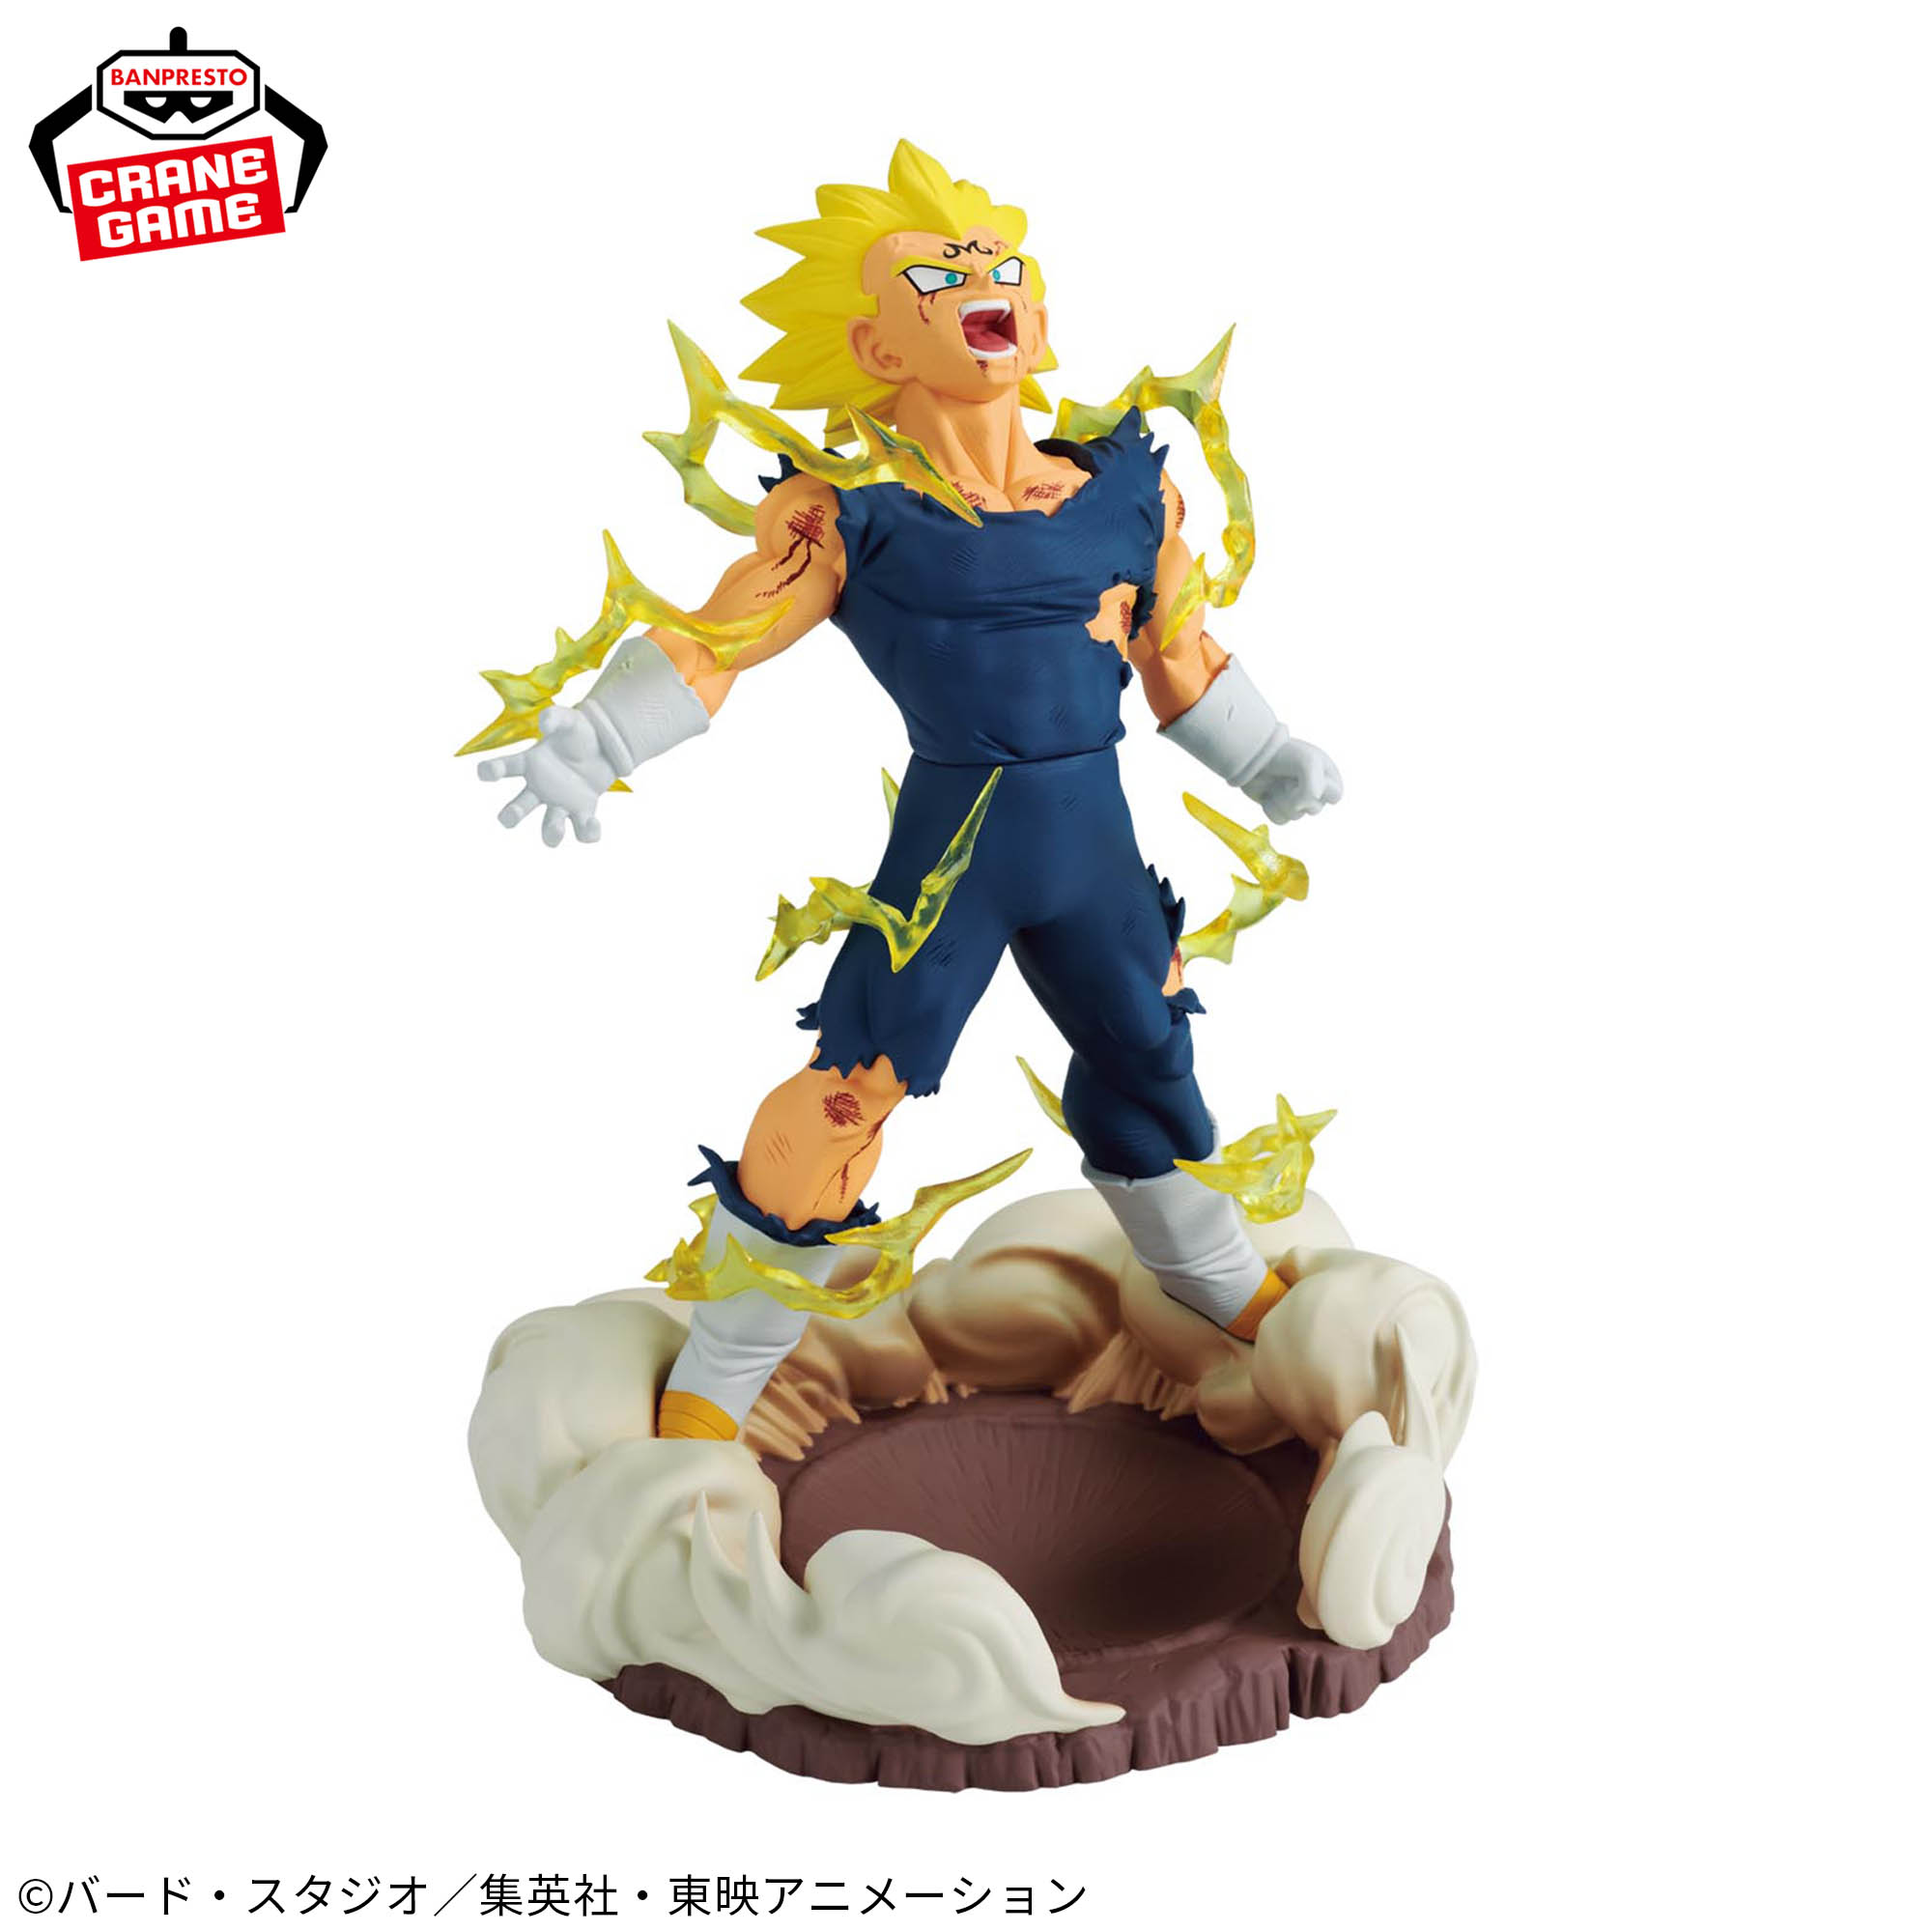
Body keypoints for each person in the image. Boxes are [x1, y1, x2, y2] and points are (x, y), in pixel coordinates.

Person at [476, 142, 1341, 1441]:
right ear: (877, 346)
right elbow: (724, 634)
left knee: (1152, 1052)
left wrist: (1267, 756)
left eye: (1003, 266)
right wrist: (600, 731)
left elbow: (1179, 650)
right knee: (849, 1089)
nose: (987, 283)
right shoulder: (848, 514)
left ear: (1038, 314)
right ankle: (717, 1383)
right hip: (957, 857)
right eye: (941, 274)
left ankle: (1217, 1286)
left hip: (1096, 849)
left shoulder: (1124, 487)